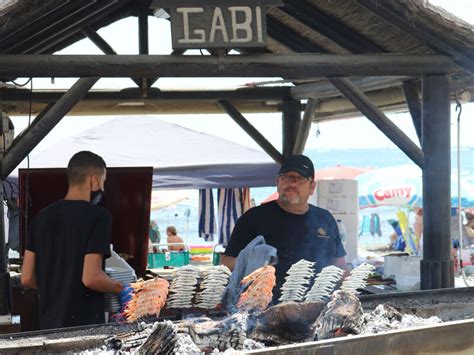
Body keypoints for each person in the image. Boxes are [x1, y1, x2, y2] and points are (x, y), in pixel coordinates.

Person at [21, 151, 130, 330]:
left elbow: (26, 278)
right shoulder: (98, 216)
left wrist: (58, 287)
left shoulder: (40, 218)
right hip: (83, 328)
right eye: (102, 182)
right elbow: (91, 277)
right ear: (93, 181)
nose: (102, 188)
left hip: (49, 326)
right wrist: (121, 288)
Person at [221, 154, 349, 302]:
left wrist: (350, 291)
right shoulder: (253, 218)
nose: (292, 183)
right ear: (278, 182)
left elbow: (339, 265)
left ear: (312, 186)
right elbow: (225, 263)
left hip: (316, 306)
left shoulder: (325, 219)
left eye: (299, 178)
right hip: (264, 309)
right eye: (286, 177)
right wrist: (251, 258)